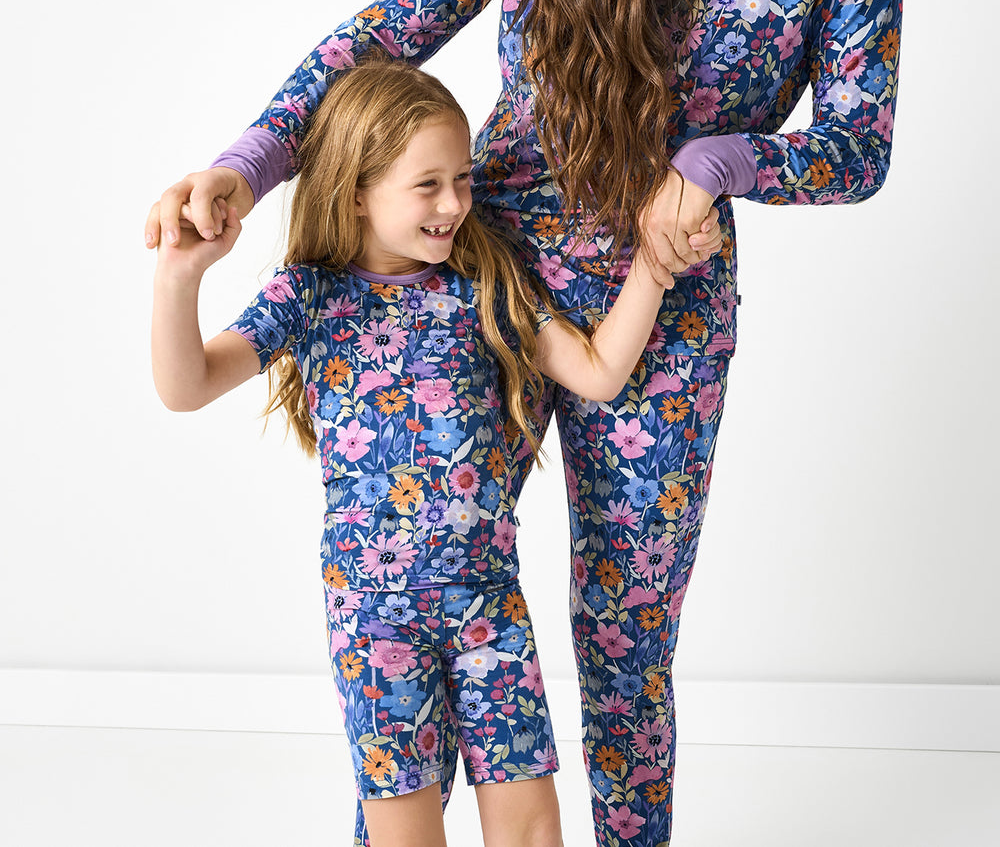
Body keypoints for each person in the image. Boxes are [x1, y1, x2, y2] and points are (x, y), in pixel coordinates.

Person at [145, 0, 902, 843]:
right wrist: (252, 161)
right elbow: (389, 27)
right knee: (416, 580)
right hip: (477, 268)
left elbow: (858, 146)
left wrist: (720, 161)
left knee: (626, 635)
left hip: (663, 302)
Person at [152, 57, 696, 847]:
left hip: (489, 607)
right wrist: (180, 278)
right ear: (357, 191)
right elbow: (187, 385)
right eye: (428, 186)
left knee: (532, 829)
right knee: (404, 833)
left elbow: (598, 372)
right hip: (375, 620)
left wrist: (653, 262)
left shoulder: (484, 284)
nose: (455, 205)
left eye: (464, 180)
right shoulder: (309, 296)